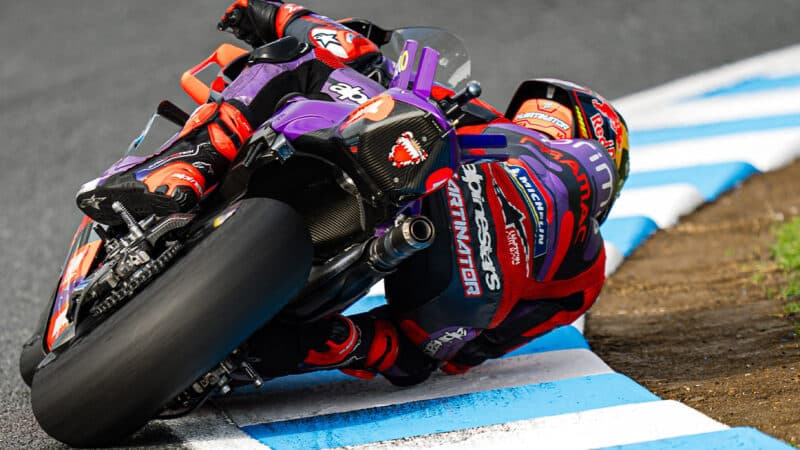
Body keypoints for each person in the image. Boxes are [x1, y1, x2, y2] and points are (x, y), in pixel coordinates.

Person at [76, 0, 630, 386]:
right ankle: (282, 351)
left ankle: (182, 172)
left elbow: (353, 53)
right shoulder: (582, 277)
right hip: (427, 289)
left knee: (295, 62)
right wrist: (362, 347)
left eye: (547, 111)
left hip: (432, 248)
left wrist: (272, 13)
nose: (533, 113)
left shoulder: (484, 122)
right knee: (374, 350)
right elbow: (459, 357)